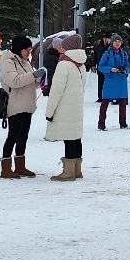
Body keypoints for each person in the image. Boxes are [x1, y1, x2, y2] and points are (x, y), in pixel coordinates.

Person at [43, 32, 87, 182]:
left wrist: (49, 112)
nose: (60, 47)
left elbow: (56, 90)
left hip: (64, 108)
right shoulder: (81, 65)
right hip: (76, 108)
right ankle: (77, 170)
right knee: (76, 137)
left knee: (68, 138)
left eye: (63, 45)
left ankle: (68, 172)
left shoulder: (63, 64)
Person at [0, 35, 39, 179]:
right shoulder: (8, 63)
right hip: (15, 105)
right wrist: (33, 75)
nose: (28, 52)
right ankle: (6, 168)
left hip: (27, 105)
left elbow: (29, 80)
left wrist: (39, 79)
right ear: (18, 49)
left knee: (23, 137)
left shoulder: (26, 62)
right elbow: (14, 81)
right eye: (26, 49)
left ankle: (20, 166)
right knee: (13, 136)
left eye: (29, 49)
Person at [96, 33, 130, 130]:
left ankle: (123, 123)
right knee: (105, 103)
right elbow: (101, 66)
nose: (117, 43)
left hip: (121, 81)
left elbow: (128, 66)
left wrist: (125, 70)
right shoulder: (106, 54)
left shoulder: (124, 54)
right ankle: (101, 124)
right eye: (115, 41)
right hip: (110, 81)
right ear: (112, 42)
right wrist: (111, 69)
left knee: (123, 103)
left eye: (119, 41)